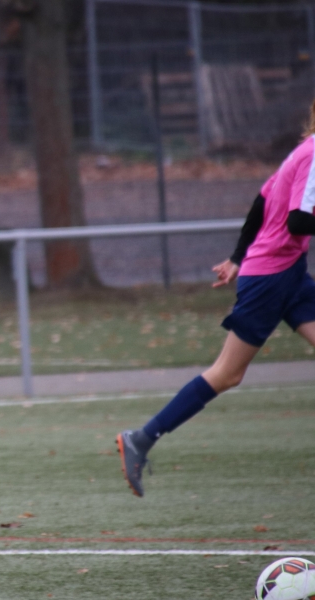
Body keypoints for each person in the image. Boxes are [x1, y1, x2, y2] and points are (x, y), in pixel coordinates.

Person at [117, 104, 315, 497]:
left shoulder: (304, 150)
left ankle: (141, 437)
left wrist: (239, 256)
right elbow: (298, 221)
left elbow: (262, 200)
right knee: (227, 373)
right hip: (272, 278)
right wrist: (246, 258)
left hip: (287, 272)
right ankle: (141, 438)